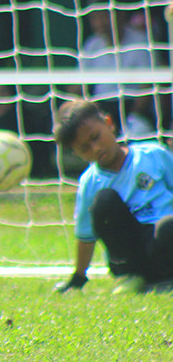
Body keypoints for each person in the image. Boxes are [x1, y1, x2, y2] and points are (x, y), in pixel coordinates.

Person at [52, 99, 173, 294]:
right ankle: (130, 276)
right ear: (77, 154)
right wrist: (78, 278)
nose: (95, 148)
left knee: (168, 226)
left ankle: (164, 279)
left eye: (95, 137)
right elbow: (86, 236)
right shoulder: (90, 182)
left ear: (109, 123)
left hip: (164, 244)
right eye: (85, 148)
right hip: (131, 255)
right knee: (105, 200)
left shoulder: (153, 154)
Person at [77, 0, 155, 137]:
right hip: (100, 108)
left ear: (120, 15)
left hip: (132, 107)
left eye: (104, 15)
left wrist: (133, 116)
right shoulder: (91, 45)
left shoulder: (141, 41)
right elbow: (77, 87)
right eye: (94, 17)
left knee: (138, 131)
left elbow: (147, 87)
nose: (99, 23)